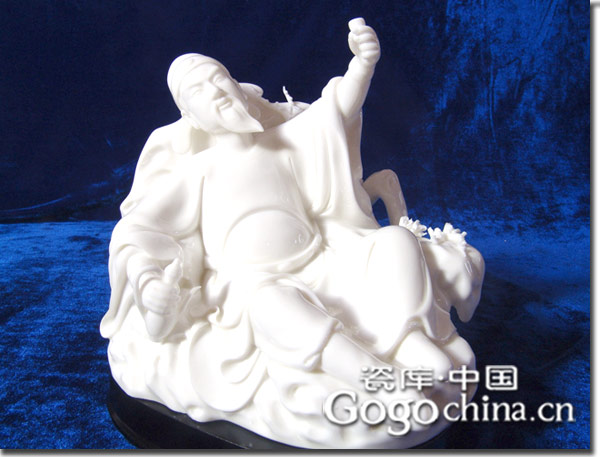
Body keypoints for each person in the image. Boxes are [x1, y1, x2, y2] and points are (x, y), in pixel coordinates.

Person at [100, 18, 484, 448]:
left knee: (396, 243)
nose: (216, 92)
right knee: (273, 306)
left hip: (321, 261)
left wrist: (362, 65)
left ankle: (410, 342)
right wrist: (148, 284)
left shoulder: (283, 142)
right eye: (199, 92)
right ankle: (378, 381)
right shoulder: (198, 172)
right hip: (253, 284)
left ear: (237, 85)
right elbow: (140, 229)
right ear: (191, 117)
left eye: (219, 79)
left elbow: (334, 113)